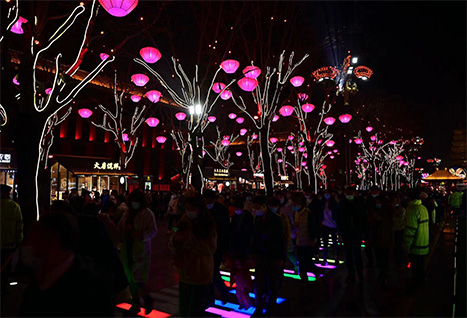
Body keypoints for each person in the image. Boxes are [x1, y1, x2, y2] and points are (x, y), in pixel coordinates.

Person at [19, 212, 114, 317]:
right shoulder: (39, 278)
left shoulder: (92, 288)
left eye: (33, 239)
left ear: (53, 240)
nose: (28, 246)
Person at [169, 196, 217, 317]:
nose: (189, 211)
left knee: (195, 311)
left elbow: (210, 249)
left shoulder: (208, 225)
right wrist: (176, 240)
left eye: (192, 208)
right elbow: (172, 242)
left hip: (201, 274)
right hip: (185, 273)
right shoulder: (183, 221)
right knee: (184, 309)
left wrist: (190, 241)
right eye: (187, 208)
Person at [117, 189, 158, 314]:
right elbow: (120, 227)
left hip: (140, 249)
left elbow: (153, 230)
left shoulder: (147, 214)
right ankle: (136, 303)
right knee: (131, 278)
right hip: (128, 248)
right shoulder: (128, 213)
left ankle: (146, 299)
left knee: (138, 279)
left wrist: (141, 236)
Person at [250, 196, 286, 317]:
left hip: (272, 256)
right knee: (259, 283)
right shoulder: (258, 219)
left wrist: (280, 257)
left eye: (257, 207)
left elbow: (281, 239)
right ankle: (259, 307)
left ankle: (270, 308)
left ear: (264, 207)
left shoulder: (276, 219)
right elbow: (255, 237)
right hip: (260, 255)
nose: (255, 210)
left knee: (273, 284)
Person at [203, 189, 230, 304]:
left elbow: (225, 230)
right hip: (205, 245)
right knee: (209, 272)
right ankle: (212, 295)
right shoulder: (203, 209)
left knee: (212, 271)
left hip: (217, 245)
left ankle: (220, 292)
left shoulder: (221, 211)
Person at [291, 193, 322, 285]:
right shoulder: (295, 213)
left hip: (308, 241)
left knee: (308, 262)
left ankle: (317, 272)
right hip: (299, 241)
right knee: (301, 262)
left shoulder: (308, 213)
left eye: (295, 204)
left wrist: (314, 240)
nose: (294, 206)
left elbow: (313, 228)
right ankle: (304, 279)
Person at [403, 188, 429, 294]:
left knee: (415, 268)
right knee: (420, 267)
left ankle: (415, 288)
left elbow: (410, 230)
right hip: (424, 243)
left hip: (415, 245)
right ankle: (421, 285)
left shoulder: (411, 209)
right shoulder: (423, 208)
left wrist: (406, 245)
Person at [337, 187, 366, 283]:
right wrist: (340, 233)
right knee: (348, 255)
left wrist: (362, 232)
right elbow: (340, 220)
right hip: (346, 233)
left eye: (351, 193)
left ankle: (359, 274)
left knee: (356, 254)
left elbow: (362, 220)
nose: (349, 194)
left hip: (356, 233)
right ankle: (351, 274)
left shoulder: (359, 205)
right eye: (347, 193)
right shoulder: (342, 205)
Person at [229, 199, 254, 310]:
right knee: (240, 272)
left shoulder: (246, 218)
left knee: (243, 271)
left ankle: (246, 301)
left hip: (243, 247)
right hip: (238, 247)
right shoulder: (236, 218)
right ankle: (244, 301)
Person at [0, 184, 23, 294]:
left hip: (7, 242)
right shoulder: (14, 207)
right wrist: (19, 240)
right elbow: (19, 225)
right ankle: (3, 286)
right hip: (9, 243)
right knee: (6, 266)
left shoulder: (13, 207)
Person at [368, 196, 393, 290]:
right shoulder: (373, 211)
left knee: (384, 258)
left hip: (384, 238)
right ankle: (382, 274)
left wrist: (379, 220)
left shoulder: (388, 211)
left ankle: (384, 275)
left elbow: (389, 224)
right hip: (376, 239)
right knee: (379, 258)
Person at [320, 190, 340, 265]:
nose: (326, 195)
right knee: (325, 243)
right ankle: (325, 259)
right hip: (325, 225)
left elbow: (337, 215)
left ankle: (337, 256)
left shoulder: (334, 204)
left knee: (334, 242)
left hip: (333, 225)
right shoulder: (322, 203)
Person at [391, 194, 407, 271]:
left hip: (399, 230)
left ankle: (399, 264)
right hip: (392, 230)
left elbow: (399, 220)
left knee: (398, 248)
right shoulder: (390, 209)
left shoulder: (402, 210)